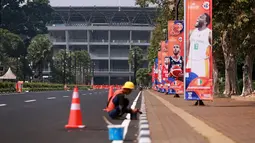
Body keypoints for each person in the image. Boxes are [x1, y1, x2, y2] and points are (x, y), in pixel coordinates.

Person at [186, 13, 212, 78]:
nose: (198, 18)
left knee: (201, 85)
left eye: (201, 17)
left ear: (206, 22)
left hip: (202, 64)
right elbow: (187, 49)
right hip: (190, 63)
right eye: (198, 16)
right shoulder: (191, 32)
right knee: (188, 84)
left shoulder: (209, 33)